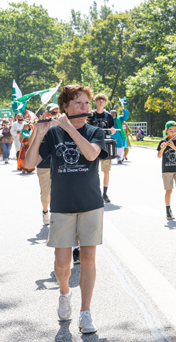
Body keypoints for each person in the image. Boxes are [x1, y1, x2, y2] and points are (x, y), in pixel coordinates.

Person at [25, 84, 108, 333]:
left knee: (88, 258)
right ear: (65, 107)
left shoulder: (94, 131)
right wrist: (40, 132)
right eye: (78, 104)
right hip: (61, 206)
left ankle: (86, 311)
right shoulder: (53, 134)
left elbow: (92, 155)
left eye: (86, 103)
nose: (84, 108)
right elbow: (30, 163)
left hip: (91, 204)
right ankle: (64, 294)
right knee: (61, 263)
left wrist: (69, 127)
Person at [87, 94, 115, 203]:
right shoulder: (91, 115)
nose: (101, 102)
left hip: (106, 143)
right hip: (93, 144)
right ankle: (94, 193)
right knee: (93, 170)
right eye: (99, 100)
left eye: (103, 100)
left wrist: (112, 131)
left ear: (105, 102)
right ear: (95, 101)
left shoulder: (108, 116)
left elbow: (111, 129)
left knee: (106, 170)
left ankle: (105, 193)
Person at [34, 104, 60, 225]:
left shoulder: (61, 123)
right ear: (47, 113)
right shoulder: (40, 124)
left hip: (59, 162)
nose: (55, 115)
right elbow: (31, 144)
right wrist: (37, 129)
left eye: (57, 112)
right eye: (53, 113)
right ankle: (45, 212)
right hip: (43, 162)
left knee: (61, 190)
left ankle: (59, 213)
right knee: (45, 191)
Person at [157, 121, 176, 220]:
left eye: (175, 131)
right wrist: (163, 147)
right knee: (169, 191)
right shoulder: (163, 141)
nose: (173, 133)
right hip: (167, 170)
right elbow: (159, 156)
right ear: (166, 131)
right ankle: (168, 210)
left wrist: (173, 146)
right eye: (171, 131)